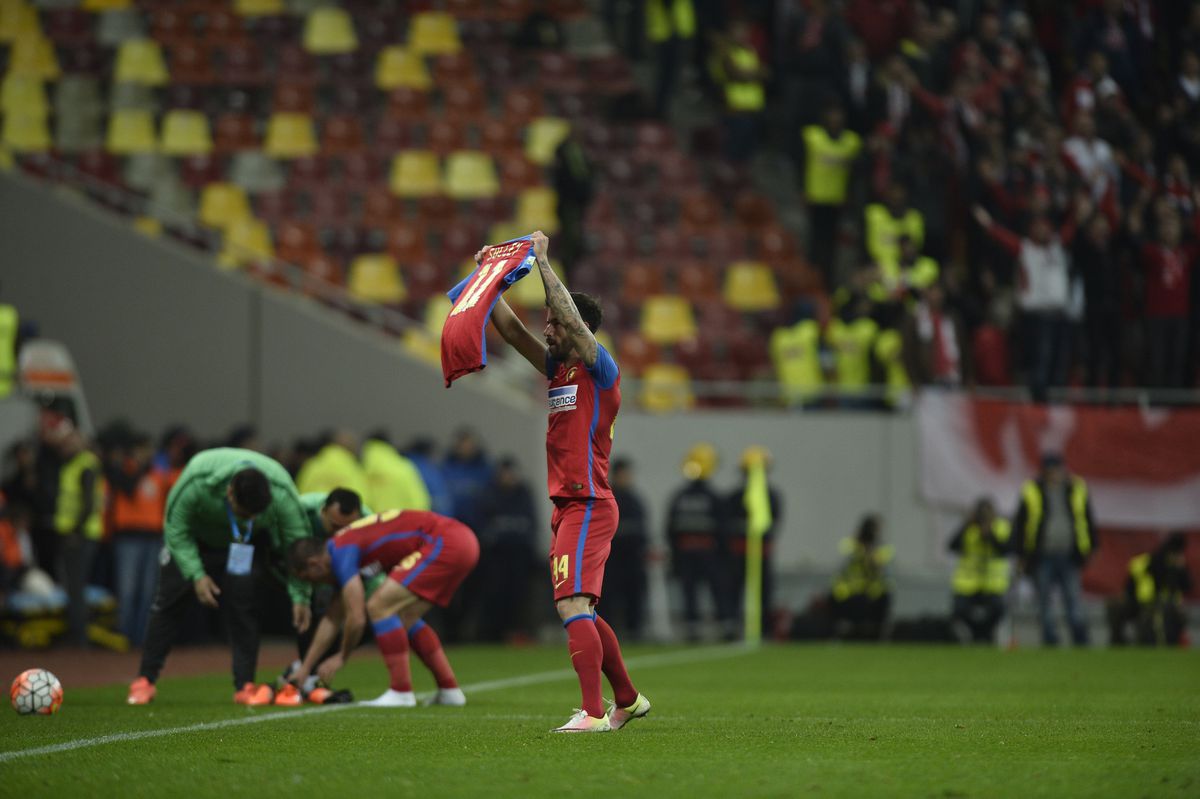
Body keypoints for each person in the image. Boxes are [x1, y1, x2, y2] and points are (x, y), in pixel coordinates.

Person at [487, 230, 649, 733]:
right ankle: (626, 699)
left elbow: (574, 324)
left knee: (570, 603)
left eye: (555, 323)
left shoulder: (603, 372)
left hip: (589, 502)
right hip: (568, 505)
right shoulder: (559, 372)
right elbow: (512, 334)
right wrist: (487, 283)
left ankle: (594, 714)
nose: (549, 329)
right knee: (584, 608)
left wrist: (540, 262)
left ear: (579, 329)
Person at [127, 448, 314, 706]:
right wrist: (197, 575)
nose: (248, 518)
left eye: (254, 516)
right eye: (243, 513)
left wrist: (300, 596)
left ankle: (245, 685)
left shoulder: (282, 493)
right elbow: (176, 530)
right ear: (229, 492)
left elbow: (298, 547)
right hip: (196, 539)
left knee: (245, 607)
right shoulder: (196, 482)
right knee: (168, 603)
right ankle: (144, 681)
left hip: (245, 545)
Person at [287, 509, 479, 707]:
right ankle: (449, 690)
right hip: (462, 540)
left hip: (445, 541)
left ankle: (400, 692)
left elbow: (357, 617)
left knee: (379, 607)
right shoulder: (343, 547)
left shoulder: (341, 551)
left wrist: (341, 657)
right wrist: (306, 667)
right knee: (405, 617)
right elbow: (333, 617)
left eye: (309, 579)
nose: (315, 585)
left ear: (315, 565)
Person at [1013, 453, 1097, 647]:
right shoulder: (1032, 490)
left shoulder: (1076, 488)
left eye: (1056, 470)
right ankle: (1050, 638)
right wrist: (1021, 554)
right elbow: (1021, 523)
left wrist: (1092, 546)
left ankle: (1079, 637)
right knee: (1043, 601)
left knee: (1073, 599)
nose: (1053, 475)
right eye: (1049, 471)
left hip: (1069, 554)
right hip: (1042, 554)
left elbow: (1087, 518)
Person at [666, 444, 734, 641]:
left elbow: (670, 529)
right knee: (698, 592)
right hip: (702, 554)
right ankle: (706, 627)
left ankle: (713, 626)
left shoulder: (681, 497)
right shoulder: (713, 497)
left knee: (707, 591)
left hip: (698, 553)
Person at [108, 433, 168, 647]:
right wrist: (138, 467)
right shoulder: (123, 471)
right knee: (127, 590)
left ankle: (141, 638)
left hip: (152, 537)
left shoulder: (157, 475)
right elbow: (128, 487)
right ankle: (124, 636)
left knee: (147, 591)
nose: (147, 454)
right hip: (129, 538)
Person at [474, 457, 538, 642]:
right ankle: (493, 634)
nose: (509, 477)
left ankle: (516, 632)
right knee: (494, 595)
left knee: (518, 595)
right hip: (495, 556)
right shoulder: (488, 494)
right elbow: (483, 525)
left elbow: (531, 524)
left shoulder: (524, 493)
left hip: (519, 555)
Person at [52, 424, 104, 648]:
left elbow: (89, 502)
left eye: (69, 441)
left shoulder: (85, 465)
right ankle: (77, 633)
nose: (65, 445)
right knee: (73, 586)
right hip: (71, 533)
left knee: (76, 586)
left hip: (81, 535)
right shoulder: (71, 465)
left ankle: (79, 637)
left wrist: (76, 531)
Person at [726, 447, 783, 635]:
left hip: (762, 552)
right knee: (733, 592)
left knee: (763, 592)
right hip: (738, 552)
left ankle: (764, 628)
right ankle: (733, 626)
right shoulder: (734, 497)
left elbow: (773, 524)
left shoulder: (771, 496)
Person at [1108, 532, 1192, 647]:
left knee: (1161, 613)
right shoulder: (1154, 562)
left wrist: (1179, 569)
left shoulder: (1175, 565)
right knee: (1116, 607)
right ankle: (1118, 644)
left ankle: (1163, 643)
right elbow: (1130, 586)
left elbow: (1186, 587)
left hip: (1163, 606)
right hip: (1142, 603)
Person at [948, 499, 1012, 644]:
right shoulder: (969, 528)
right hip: (969, 581)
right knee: (959, 610)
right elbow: (952, 545)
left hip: (992, 582)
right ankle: (976, 634)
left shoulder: (1001, 527)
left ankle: (986, 634)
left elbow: (1007, 549)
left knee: (998, 610)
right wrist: (966, 525)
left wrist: (989, 535)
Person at [604, 458, 650, 640]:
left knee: (634, 596)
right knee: (608, 598)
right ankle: (608, 634)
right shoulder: (607, 500)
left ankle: (634, 632)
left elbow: (642, 530)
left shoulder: (635, 501)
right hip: (611, 559)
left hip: (633, 559)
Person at [830, 514, 892, 639]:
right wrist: (859, 545)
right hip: (848, 592)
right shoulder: (850, 544)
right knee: (835, 596)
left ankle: (878, 634)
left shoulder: (880, 548)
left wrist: (869, 550)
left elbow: (878, 567)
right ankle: (837, 632)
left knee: (885, 595)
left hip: (870, 592)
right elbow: (843, 562)